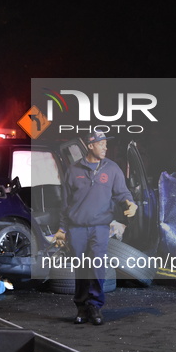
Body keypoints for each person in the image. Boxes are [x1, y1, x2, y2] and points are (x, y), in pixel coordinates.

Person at [54, 132, 138, 325]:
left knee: (97, 265)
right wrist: (61, 229)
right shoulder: (73, 170)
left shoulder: (112, 168)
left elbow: (122, 193)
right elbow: (65, 204)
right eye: (101, 144)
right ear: (90, 146)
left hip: (100, 227)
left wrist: (130, 203)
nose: (105, 148)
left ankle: (95, 306)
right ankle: (81, 308)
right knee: (82, 268)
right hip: (76, 229)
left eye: (106, 145)